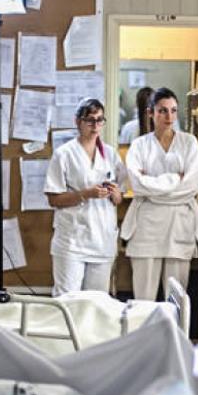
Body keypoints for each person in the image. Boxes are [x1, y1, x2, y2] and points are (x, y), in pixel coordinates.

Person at [121, 87, 198, 301]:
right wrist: (176, 178)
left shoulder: (189, 142)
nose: (169, 116)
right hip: (146, 227)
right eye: (162, 111)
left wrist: (152, 186)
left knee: (175, 300)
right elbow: (137, 185)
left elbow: (193, 185)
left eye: (173, 110)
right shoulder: (140, 145)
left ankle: (173, 327)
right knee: (144, 300)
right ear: (151, 113)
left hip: (179, 225)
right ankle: (144, 326)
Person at [44, 98, 128, 296]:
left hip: (102, 240)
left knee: (96, 302)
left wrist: (115, 194)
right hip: (72, 241)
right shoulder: (64, 154)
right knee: (68, 301)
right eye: (90, 120)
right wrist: (87, 194)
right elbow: (54, 199)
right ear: (78, 121)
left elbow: (119, 197)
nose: (95, 125)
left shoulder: (110, 154)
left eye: (100, 120)